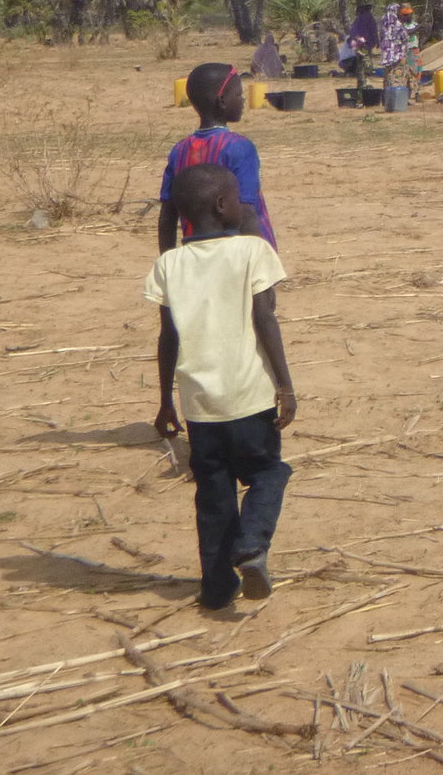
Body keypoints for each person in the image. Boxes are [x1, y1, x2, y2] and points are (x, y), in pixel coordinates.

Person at [147, 162, 297, 612]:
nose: (241, 204)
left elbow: (167, 336)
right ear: (221, 205)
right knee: (269, 473)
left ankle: (216, 588)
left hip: (200, 406)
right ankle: (252, 545)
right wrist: (286, 386)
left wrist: (163, 401)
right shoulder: (253, 251)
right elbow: (265, 319)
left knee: (213, 495)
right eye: (236, 198)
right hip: (249, 397)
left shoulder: (168, 264)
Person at [161, 65, 275, 250]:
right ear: (222, 100)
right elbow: (246, 210)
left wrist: (168, 261)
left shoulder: (179, 151)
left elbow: (167, 214)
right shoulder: (238, 148)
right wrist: (257, 259)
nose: (243, 100)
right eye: (238, 95)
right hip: (239, 254)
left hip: (196, 257)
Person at [338, 4, 377, 80]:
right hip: (348, 60)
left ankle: (365, 71)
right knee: (360, 57)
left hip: (363, 45)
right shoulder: (363, 20)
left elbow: (373, 32)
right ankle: (357, 72)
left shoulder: (363, 19)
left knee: (364, 57)